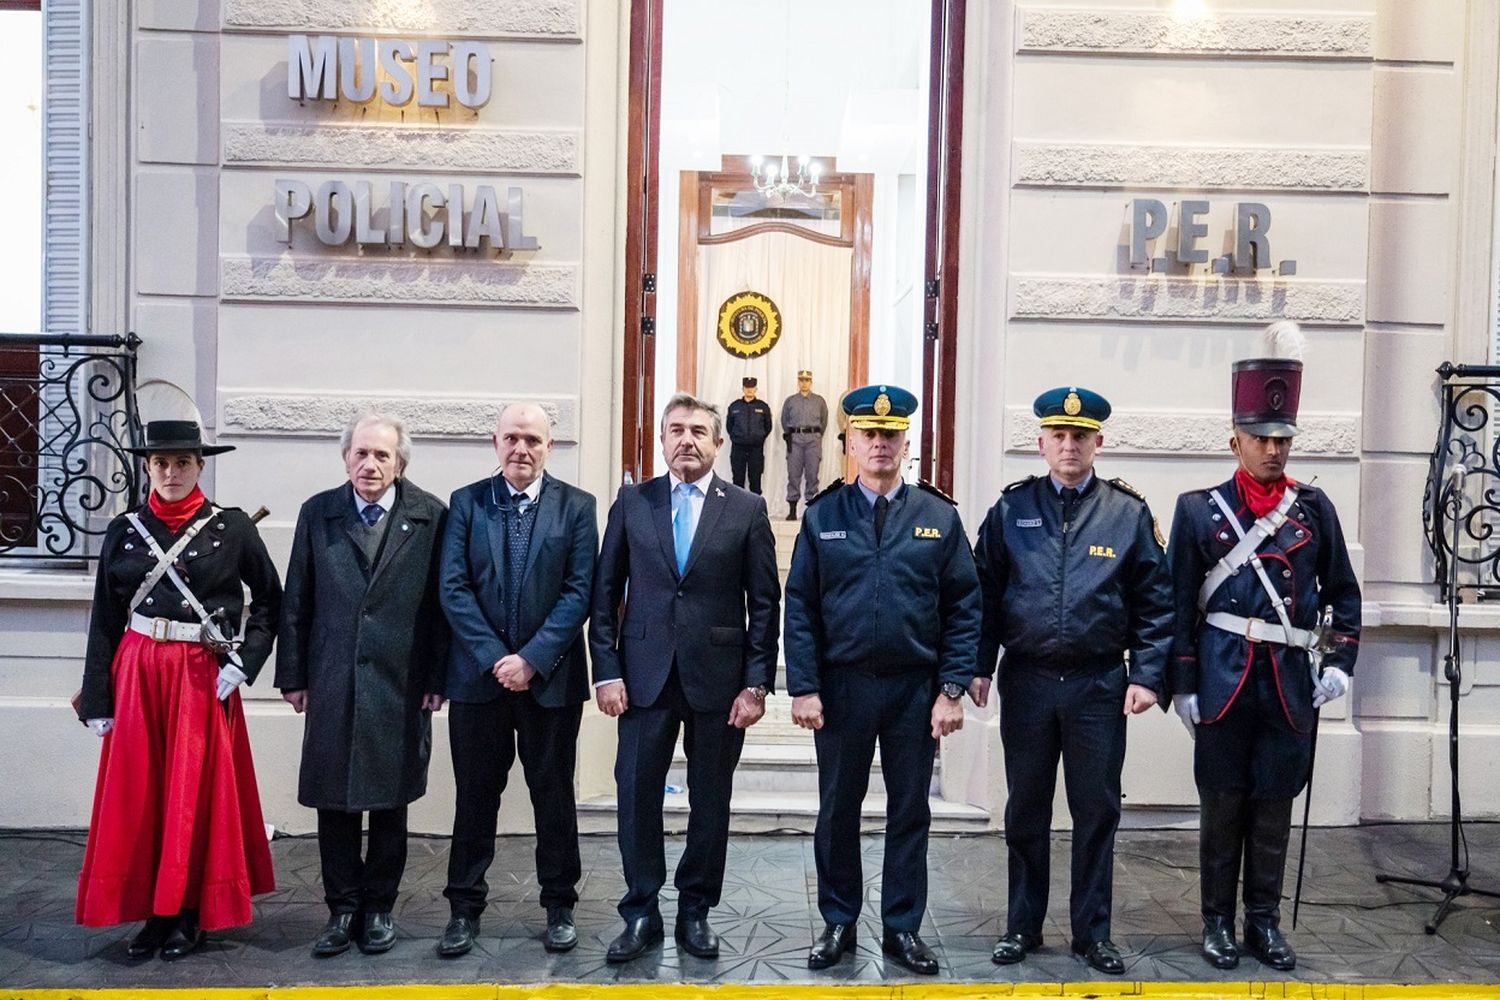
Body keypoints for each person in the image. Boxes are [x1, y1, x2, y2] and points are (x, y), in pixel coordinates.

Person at [1168, 321, 1359, 972]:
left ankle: (1264, 924)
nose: (1274, 450)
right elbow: (1176, 605)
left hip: (1286, 687)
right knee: (1222, 809)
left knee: (1274, 807)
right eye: (1261, 439)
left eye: (1282, 439)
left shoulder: (1314, 510)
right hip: (1222, 683)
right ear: (1235, 440)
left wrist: (1337, 662)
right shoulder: (1201, 512)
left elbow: (1344, 596)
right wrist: (1184, 683)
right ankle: (1217, 924)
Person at [972, 386, 1173, 976]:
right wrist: (978, 666)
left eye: (1079, 437)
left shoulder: (1127, 514)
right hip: (1029, 681)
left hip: (1099, 684)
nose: (1068, 445)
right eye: (1058, 436)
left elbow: (1156, 602)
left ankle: (1092, 933)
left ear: (1098, 444)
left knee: (1096, 811)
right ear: (1040, 443)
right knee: (1025, 810)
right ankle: (1022, 926)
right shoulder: (1011, 510)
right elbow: (982, 594)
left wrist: (1149, 675)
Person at [784, 384, 981, 976]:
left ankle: (902, 927)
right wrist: (804, 686)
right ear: (849, 442)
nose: (879, 444)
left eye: (890, 435)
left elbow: (965, 606)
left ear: (905, 443)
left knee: (910, 811)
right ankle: (839, 919)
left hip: (912, 692)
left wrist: (951, 688)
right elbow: (801, 608)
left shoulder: (937, 517)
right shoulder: (824, 515)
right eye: (868, 434)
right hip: (842, 689)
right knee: (838, 809)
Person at [75, 419, 281, 960]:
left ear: (200, 465)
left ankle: (189, 914)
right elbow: (104, 619)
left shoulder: (232, 528)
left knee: (194, 797)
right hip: (139, 672)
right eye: (161, 463)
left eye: (182, 463)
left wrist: (245, 661)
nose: (171, 472)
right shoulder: (122, 530)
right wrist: (97, 697)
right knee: (141, 797)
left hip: (200, 676)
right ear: (147, 468)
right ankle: (152, 913)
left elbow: (272, 602)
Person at [589, 392, 780, 963]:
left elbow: (765, 604)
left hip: (719, 684)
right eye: (676, 430)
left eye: (699, 430)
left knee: (711, 800)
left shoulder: (745, 507)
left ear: (719, 443)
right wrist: (607, 671)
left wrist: (757, 684)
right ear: (662, 438)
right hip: (643, 679)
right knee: (636, 795)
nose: (686, 440)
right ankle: (641, 910)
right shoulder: (632, 502)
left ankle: (696, 910)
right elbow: (604, 595)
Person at [276, 412, 449, 957]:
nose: (369, 464)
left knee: (390, 802)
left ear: (400, 463)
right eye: (360, 454)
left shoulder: (430, 516)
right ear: (345, 458)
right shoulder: (318, 513)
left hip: (402, 682)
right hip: (332, 678)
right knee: (335, 802)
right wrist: (293, 675)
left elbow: (443, 609)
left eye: (382, 455)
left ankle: (378, 909)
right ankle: (342, 908)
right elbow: (296, 598)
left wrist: (437, 677)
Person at [436, 402, 598, 957]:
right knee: (475, 798)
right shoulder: (466, 504)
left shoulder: (577, 507)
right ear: (495, 443)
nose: (521, 448)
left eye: (532, 439)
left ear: (550, 447)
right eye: (511, 438)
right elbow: (453, 588)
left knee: (553, 797)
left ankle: (559, 906)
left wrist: (530, 658)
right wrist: (495, 658)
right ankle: (463, 909)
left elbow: (580, 591)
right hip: (479, 684)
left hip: (549, 681)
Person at [781, 369, 828, 520]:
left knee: (812, 474)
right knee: (793, 474)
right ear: (798, 381)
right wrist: (792, 435)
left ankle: (811, 510)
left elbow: (824, 421)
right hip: (795, 440)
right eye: (801, 380)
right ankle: (792, 509)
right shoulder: (790, 401)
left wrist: (817, 435)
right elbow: (784, 420)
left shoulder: (819, 401)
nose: (804, 383)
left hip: (813, 440)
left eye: (807, 380)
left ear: (811, 382)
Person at [726, 376, 773, 494]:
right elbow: (729, 426)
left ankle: (755, 510)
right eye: (747, 388)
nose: (749, 390)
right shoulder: (735, 406)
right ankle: (738, 511)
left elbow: (768, 427)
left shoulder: (763, 407)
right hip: (738, 448)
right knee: (737, 480)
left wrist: (758, 438)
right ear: (743, 389)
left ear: (756, 389)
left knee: (755, 479)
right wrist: (737, 438)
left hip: (756, 449)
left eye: (752, 388)